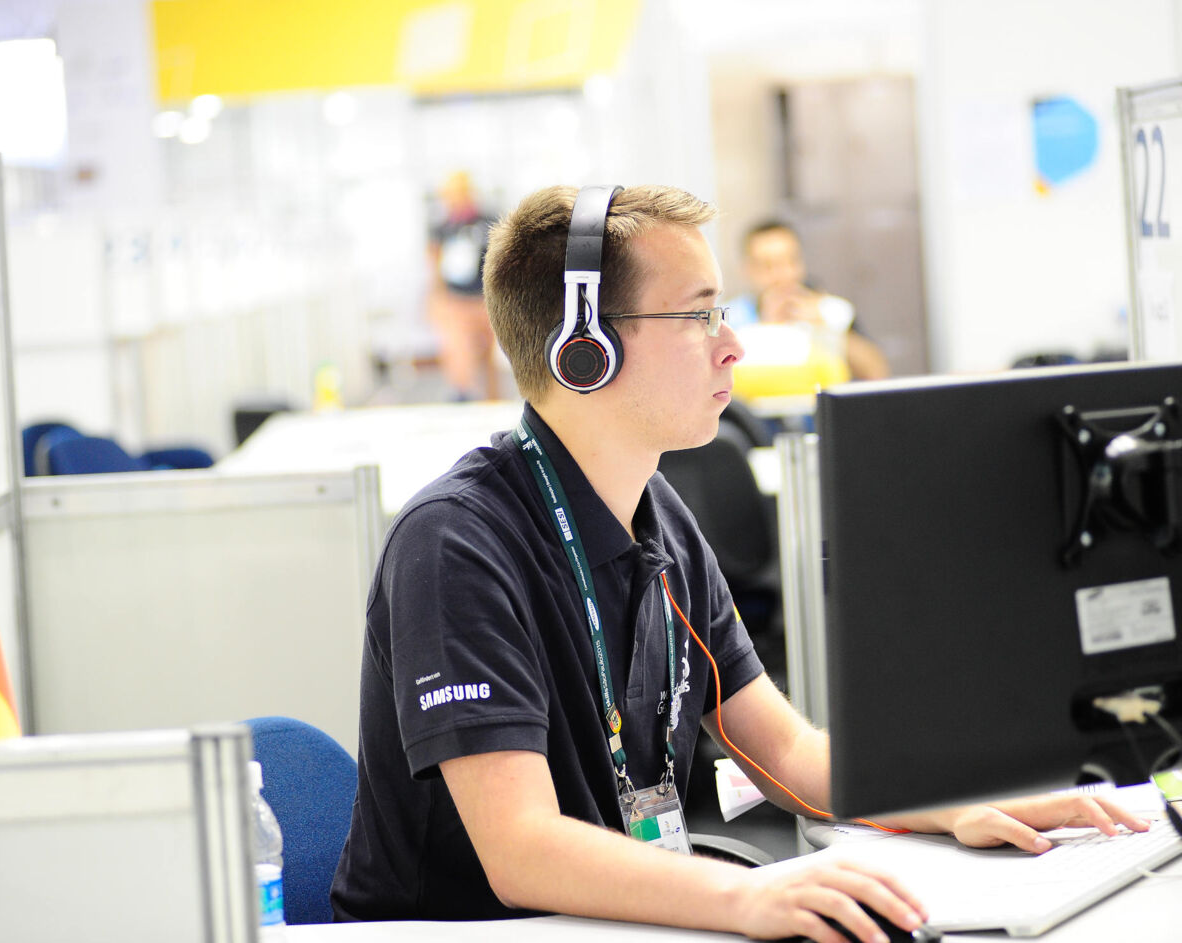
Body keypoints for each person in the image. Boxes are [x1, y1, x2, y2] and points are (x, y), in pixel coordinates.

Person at [330, 185, 1146, 941]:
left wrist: (953, 798)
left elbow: (784, 753)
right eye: (700, 315)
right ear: (587, 350)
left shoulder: (661, 518)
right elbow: (522, 852)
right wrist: (748, 897)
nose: (734, 345)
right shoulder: (456, 545)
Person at [730, 220, 891, 382]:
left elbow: (877, 373)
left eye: (791, 261)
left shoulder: (830, 310)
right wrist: (768, 329)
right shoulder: (730, 320)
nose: (783, 275)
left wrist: (829, 330)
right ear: (748, 270)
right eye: (768, 266)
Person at [426, 171, 501, 400]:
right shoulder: (441, 228)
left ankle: (492, 400)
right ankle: (463, 394)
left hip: (486, 300)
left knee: (489, 357)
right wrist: (436, 299)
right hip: (456, 301)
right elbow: (434, 264)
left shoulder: (489, 221)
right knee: (459, 350)